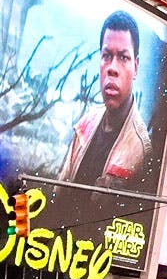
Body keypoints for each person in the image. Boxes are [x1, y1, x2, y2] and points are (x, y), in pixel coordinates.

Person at [59, 10, 155, 188]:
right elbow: (59, 191)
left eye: (123, 58)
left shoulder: (142, 150)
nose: (112, 68)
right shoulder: (86, 124)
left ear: (136, 66)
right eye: (107, 56)